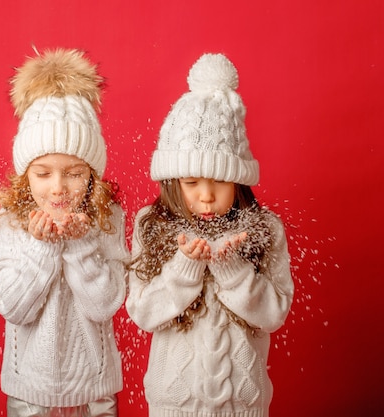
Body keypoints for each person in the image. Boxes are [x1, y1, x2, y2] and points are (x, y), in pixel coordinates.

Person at [126, 53, 294, 417]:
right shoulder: (151, 226)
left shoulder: (264, 229)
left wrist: (231, 269)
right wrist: (185, 268)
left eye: (219, 181)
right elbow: (143, 312)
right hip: (173, 405)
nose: (205, 195)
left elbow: (273, 314)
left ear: (238, 179)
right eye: (191, 183)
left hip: (243, 405)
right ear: (172, 182)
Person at [0, 48, 129, 417]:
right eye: (43, 173)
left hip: (94, 388)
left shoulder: (105, 218)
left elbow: (104, 304)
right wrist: (42, 248)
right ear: (24, 175)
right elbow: (15, 309)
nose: (58, 187)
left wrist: (80, 245)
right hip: (30, 389)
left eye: (74, 173)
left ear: (92, 174)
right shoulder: (12, 220)